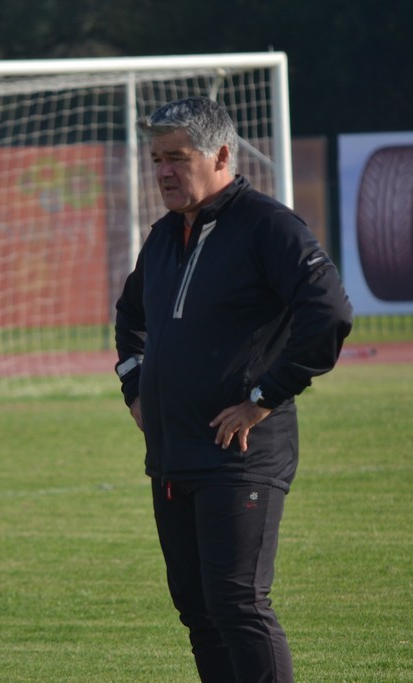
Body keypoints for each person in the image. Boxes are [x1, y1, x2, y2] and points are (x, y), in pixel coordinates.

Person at [114, 97, 353, 683]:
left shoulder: (268, 226)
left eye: (177, 157)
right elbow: (130, 315)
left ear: (221, 155)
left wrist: (264, 398)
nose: (163, 172)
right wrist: (137, 389)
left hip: (240, 457)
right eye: (157, 159)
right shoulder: (164, 236)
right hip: (172, 457)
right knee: (198, 613)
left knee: (238, 605)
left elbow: (329, 312)